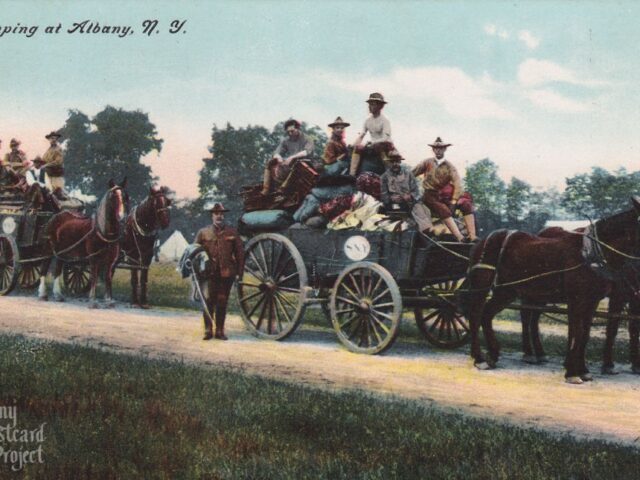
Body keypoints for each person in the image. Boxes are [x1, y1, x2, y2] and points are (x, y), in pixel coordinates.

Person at [194, 203, 245, 340]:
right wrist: (197, 271)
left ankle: (220, 331)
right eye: (216, 213)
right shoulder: (203, 232)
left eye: (222, 214)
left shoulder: (232, 232)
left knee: (222, 301)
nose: (219, 216)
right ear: (212, 215)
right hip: (208, 274)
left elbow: (240, 254)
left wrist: (240, 273)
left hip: (226, 274)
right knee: (208, 301)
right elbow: (195, 252)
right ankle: (208, 330)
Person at [412, 137, 477, 241]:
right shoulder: (427, 162)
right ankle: (460, 237)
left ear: (445, 149)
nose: (438, 150)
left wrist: (454, 201)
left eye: (441, 148)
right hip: (430, 195)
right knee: (443, 209)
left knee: (466, 204)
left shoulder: (449, 166)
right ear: (433, 150)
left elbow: (457, 184)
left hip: (444, 196)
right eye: (436, 148)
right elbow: (412, 174)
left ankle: (472, 236)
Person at [380, 150, 433, 233]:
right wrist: (391, 198)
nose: (395, 164)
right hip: (394, 206)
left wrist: (410, 196)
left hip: (409, 202)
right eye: (392, 162)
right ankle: (425, 232)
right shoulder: (384, 177)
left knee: (424, 210)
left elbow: (416, 191)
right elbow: (383, 195)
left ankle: (427, 232)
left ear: (400, 161)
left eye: (397, 161)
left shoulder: (408, 174)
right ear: (389, 162)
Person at [261, 119, 314, 195]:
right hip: (291, 163)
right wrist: (278, 157)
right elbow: (277, 152)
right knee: (271, 162)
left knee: (298, 164)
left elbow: (306, 152)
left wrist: (292, 157)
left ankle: (283, 188)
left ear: (297, 128)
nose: (290, 133)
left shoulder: (307, 138)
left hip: (306, 164)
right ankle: (266, 189)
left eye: (292, 131)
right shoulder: (286, 140)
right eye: (288, 132)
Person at [350, 92, 394, 175]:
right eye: (369, 104)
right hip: (372, 145)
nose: (370, 107)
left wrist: (373, 142)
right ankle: (352, 174)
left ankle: (390, 174)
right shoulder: (367, 120)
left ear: (380, 106)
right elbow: (362, 134)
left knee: (383, 153)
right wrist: (354, 145)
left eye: (373, 104)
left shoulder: (385, 120)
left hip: (383, 144)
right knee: (357, 148)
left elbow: (386, 138)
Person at [41, 131, 67, 200]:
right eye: (52, 138)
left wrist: (46, 165)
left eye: (55, 138)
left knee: (57, 192)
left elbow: (58, 162)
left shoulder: (58, 149)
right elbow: (43, 160)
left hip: (56, 172)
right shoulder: (48, 150)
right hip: (48, 171)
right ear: (49, 139)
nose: (53, 140)